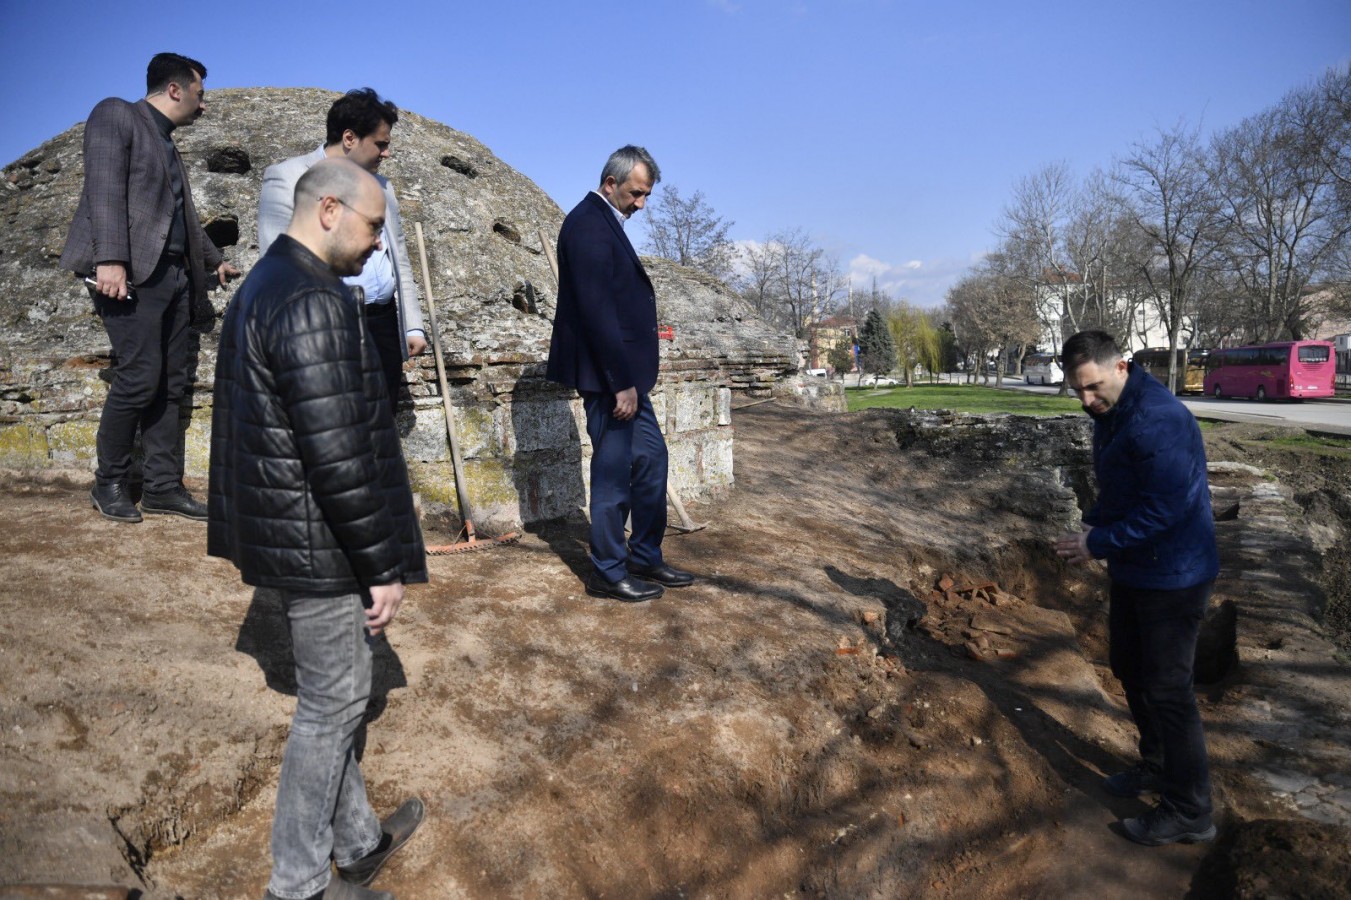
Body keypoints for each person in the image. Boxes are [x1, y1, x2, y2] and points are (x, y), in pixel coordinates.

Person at [209, 158, 428, 900]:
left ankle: (359, 841)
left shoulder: (266, 284)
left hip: (293, 531)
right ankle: (297, 884)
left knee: (331, 697)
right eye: (373, 227)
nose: (378, 244)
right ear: (328, 209)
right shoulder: (310, 298)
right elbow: (337, 451)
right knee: (331, 708)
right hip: (322, 543)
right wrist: (381, 564)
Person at [1054, 330, 1219, 847]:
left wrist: (1097, 542)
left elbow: (1163, 509)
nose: (1086, 400)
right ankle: (1158, 766)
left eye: (1094, 387)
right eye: (1077, 390)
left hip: (1175, 573)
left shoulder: (1159, 420)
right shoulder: (1111, 413)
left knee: (1170, 689)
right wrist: (1093, 524)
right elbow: (1123, 490)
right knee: (1128, 666)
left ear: (1121, 367)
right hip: (1135, 568)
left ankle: (1190, 809)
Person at [61, 52, 240, 523]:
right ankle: (109, 484)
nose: (204, 106)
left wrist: (214, 261)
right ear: (176, 89)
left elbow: (180, 216)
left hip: (175, 277)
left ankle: (162, 488)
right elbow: (103, 189)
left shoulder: (168, 144)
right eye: (200, 95)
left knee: (171, 384)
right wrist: (111, 261)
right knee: (140, 378)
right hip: (132, 275)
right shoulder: (116, 113)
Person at [545, 145, 694, 603]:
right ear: (611, 183)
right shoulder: (588, 225)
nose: (641, 204)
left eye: (646, 195)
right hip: (609, 380)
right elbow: (596, 312)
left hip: (627, 377)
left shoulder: (607, 221)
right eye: (636, 193)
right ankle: (607, 572)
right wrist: (619, 382)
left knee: (651, 460)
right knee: (612, 475)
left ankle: (644, 554)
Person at [257, 88, 427, 413]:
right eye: (381, 143)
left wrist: (412, 324)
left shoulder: (382, 186)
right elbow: (278, 263)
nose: (387, 153)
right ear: (349, 137)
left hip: (382, 323)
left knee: (382, 420)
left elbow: (398, 257)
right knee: (334, 419)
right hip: (328, 321)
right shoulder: (288, 177)